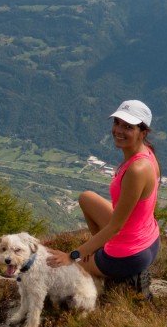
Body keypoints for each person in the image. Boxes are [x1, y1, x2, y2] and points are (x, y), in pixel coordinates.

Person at [47, 99, 160, 295]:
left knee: (65, 268)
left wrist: (72, 256)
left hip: (129, 255)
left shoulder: (137, 169)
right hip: (148, 239)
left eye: (128, 127)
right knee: (86, 198)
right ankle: (101, 256)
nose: (118, 130)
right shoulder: (146, 153)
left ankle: (125, 277)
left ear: (143, 132)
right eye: (117, 122)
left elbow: (115, 227)